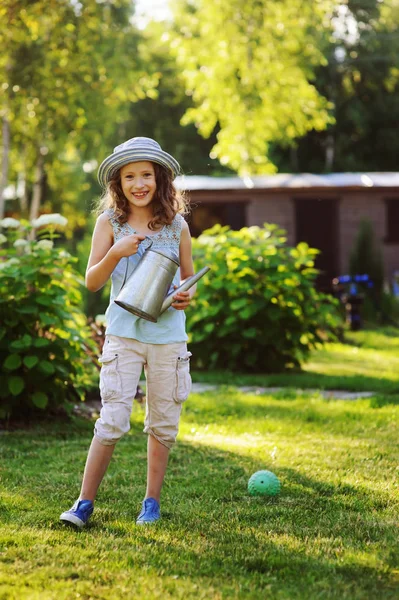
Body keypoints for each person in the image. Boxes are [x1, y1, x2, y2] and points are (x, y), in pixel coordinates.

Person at [60, 137, 195, 528]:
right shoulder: (110, 223)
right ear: (118, 182)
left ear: (160, 178)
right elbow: (91, 281)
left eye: (146, 175)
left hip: (168, 336)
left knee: (163, 421)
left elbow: (190, 277)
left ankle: (150, 502)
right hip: (123, 334)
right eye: (130, 176)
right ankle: (84, 503)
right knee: (113, 418)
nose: (139, 183)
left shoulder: (176, 225)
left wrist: (188, 295)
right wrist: (115, 253)